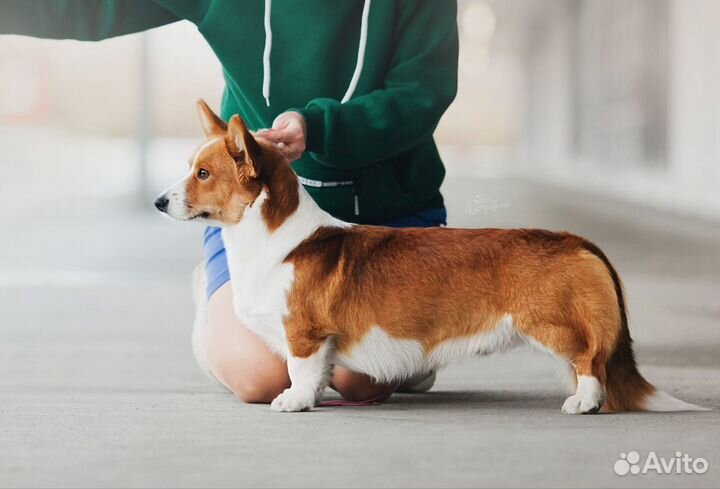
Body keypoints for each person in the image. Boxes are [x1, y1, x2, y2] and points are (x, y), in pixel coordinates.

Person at [1, 0, 459, 404]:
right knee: (259, 379)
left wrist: (318, 127)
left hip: (385, 215)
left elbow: (421, 94)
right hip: (259, 220)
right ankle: (219, 302)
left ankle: (418, 351)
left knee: (363, 380)